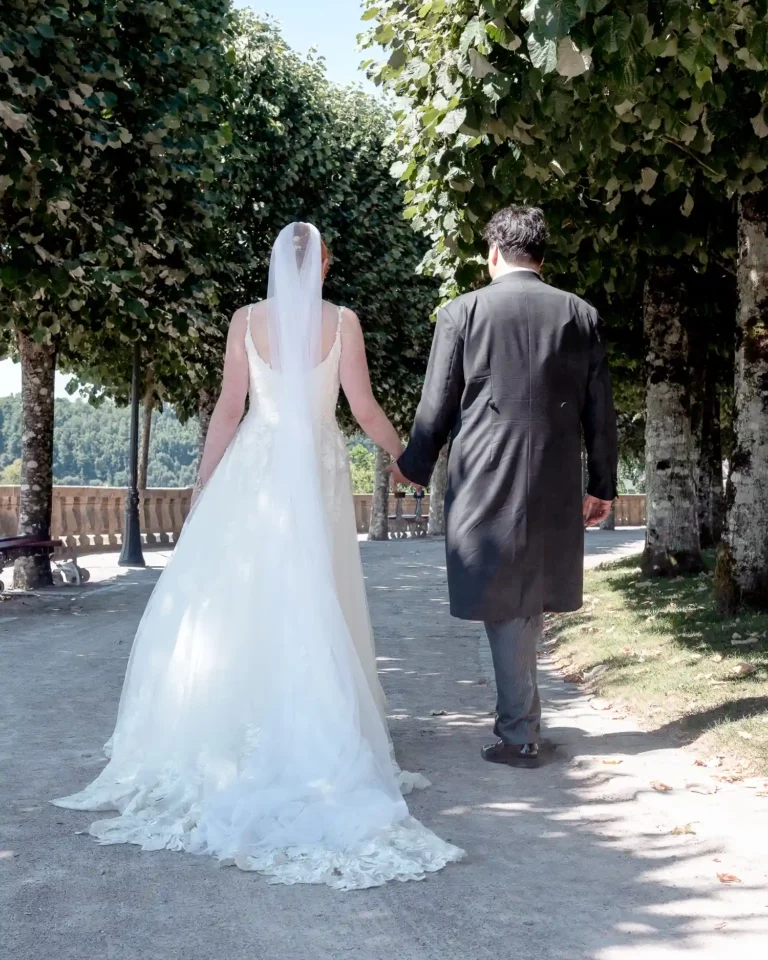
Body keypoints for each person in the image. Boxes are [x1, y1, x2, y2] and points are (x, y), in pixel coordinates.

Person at [53, 222, 463, 889]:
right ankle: (317, 719)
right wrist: (406, 460)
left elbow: (227, 409)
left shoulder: (245, 320)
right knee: (316, 592)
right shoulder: (343, 323)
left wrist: (203, 483)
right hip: (319, 468)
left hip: (257, 466)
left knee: (249, 595)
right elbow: (361, 408)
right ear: (323, 264)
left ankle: (245, 716)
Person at [389, 205, 618, 769]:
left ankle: (520, 733)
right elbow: (601, 412)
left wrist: (412, 464)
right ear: (541, 255)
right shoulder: (580, 315)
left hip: (486, 474)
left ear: (493, 253)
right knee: (525, 593)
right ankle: (524, 720)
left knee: (506, 594)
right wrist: (603, 486)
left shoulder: (461, 312)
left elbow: (436, 404)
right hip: (556, 476)